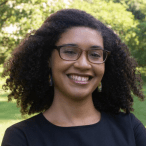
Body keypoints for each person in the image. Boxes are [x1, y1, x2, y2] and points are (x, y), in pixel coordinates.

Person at [1, 8, 146, 146]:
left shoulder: (130, 129)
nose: (83, 64)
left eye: (95, 54)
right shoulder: (21, 138)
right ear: (48, 60)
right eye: (70, 52)